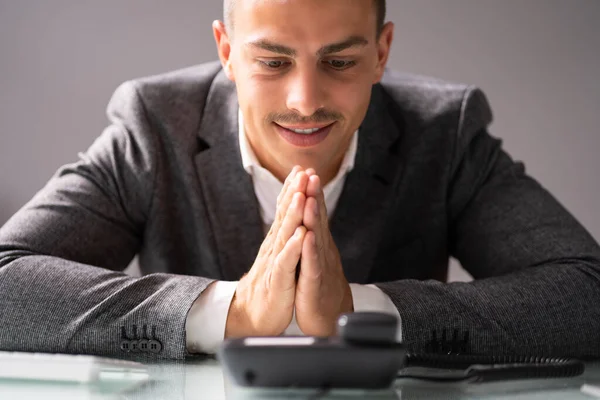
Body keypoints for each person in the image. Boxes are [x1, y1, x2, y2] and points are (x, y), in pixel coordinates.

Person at [1, 0, 599, 360]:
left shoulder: (444, 132)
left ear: (382, 50)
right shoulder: (156, 125)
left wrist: (362, 311)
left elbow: (587, 294)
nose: (305, 101)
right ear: (227, 51)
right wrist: (227, 311)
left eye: (339, 62)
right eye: (272, 62)